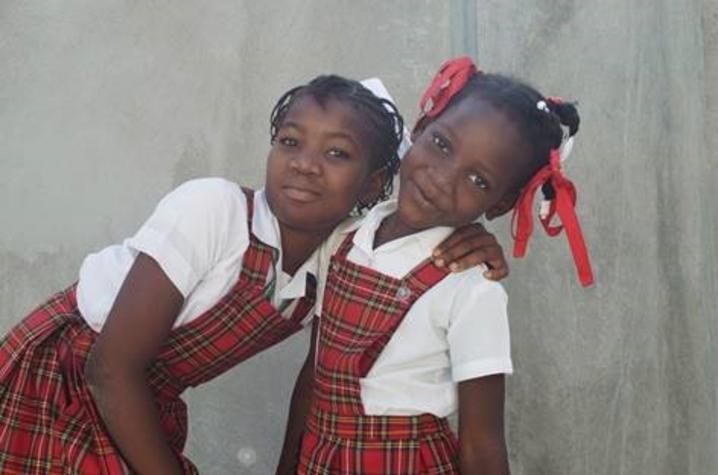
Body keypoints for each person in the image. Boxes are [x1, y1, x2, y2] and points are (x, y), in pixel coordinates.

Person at [0, 74, 508, 474]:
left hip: (137, 402)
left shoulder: (342, 252)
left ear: (373, 183)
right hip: (64, 381)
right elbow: (108, 370)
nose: (306, 165)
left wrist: (469, 239)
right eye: (291, 142)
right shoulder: (213, 210)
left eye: (337, 154)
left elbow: (401, 240)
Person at [288, 57, 593, 474]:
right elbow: (315, 374)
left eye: (477, 181)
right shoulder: (342, 240)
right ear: (421, 127)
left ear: (500, 204)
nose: (442, 178)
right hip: (320, 460)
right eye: (442, 144)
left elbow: (482, 444)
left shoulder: (472, 288)